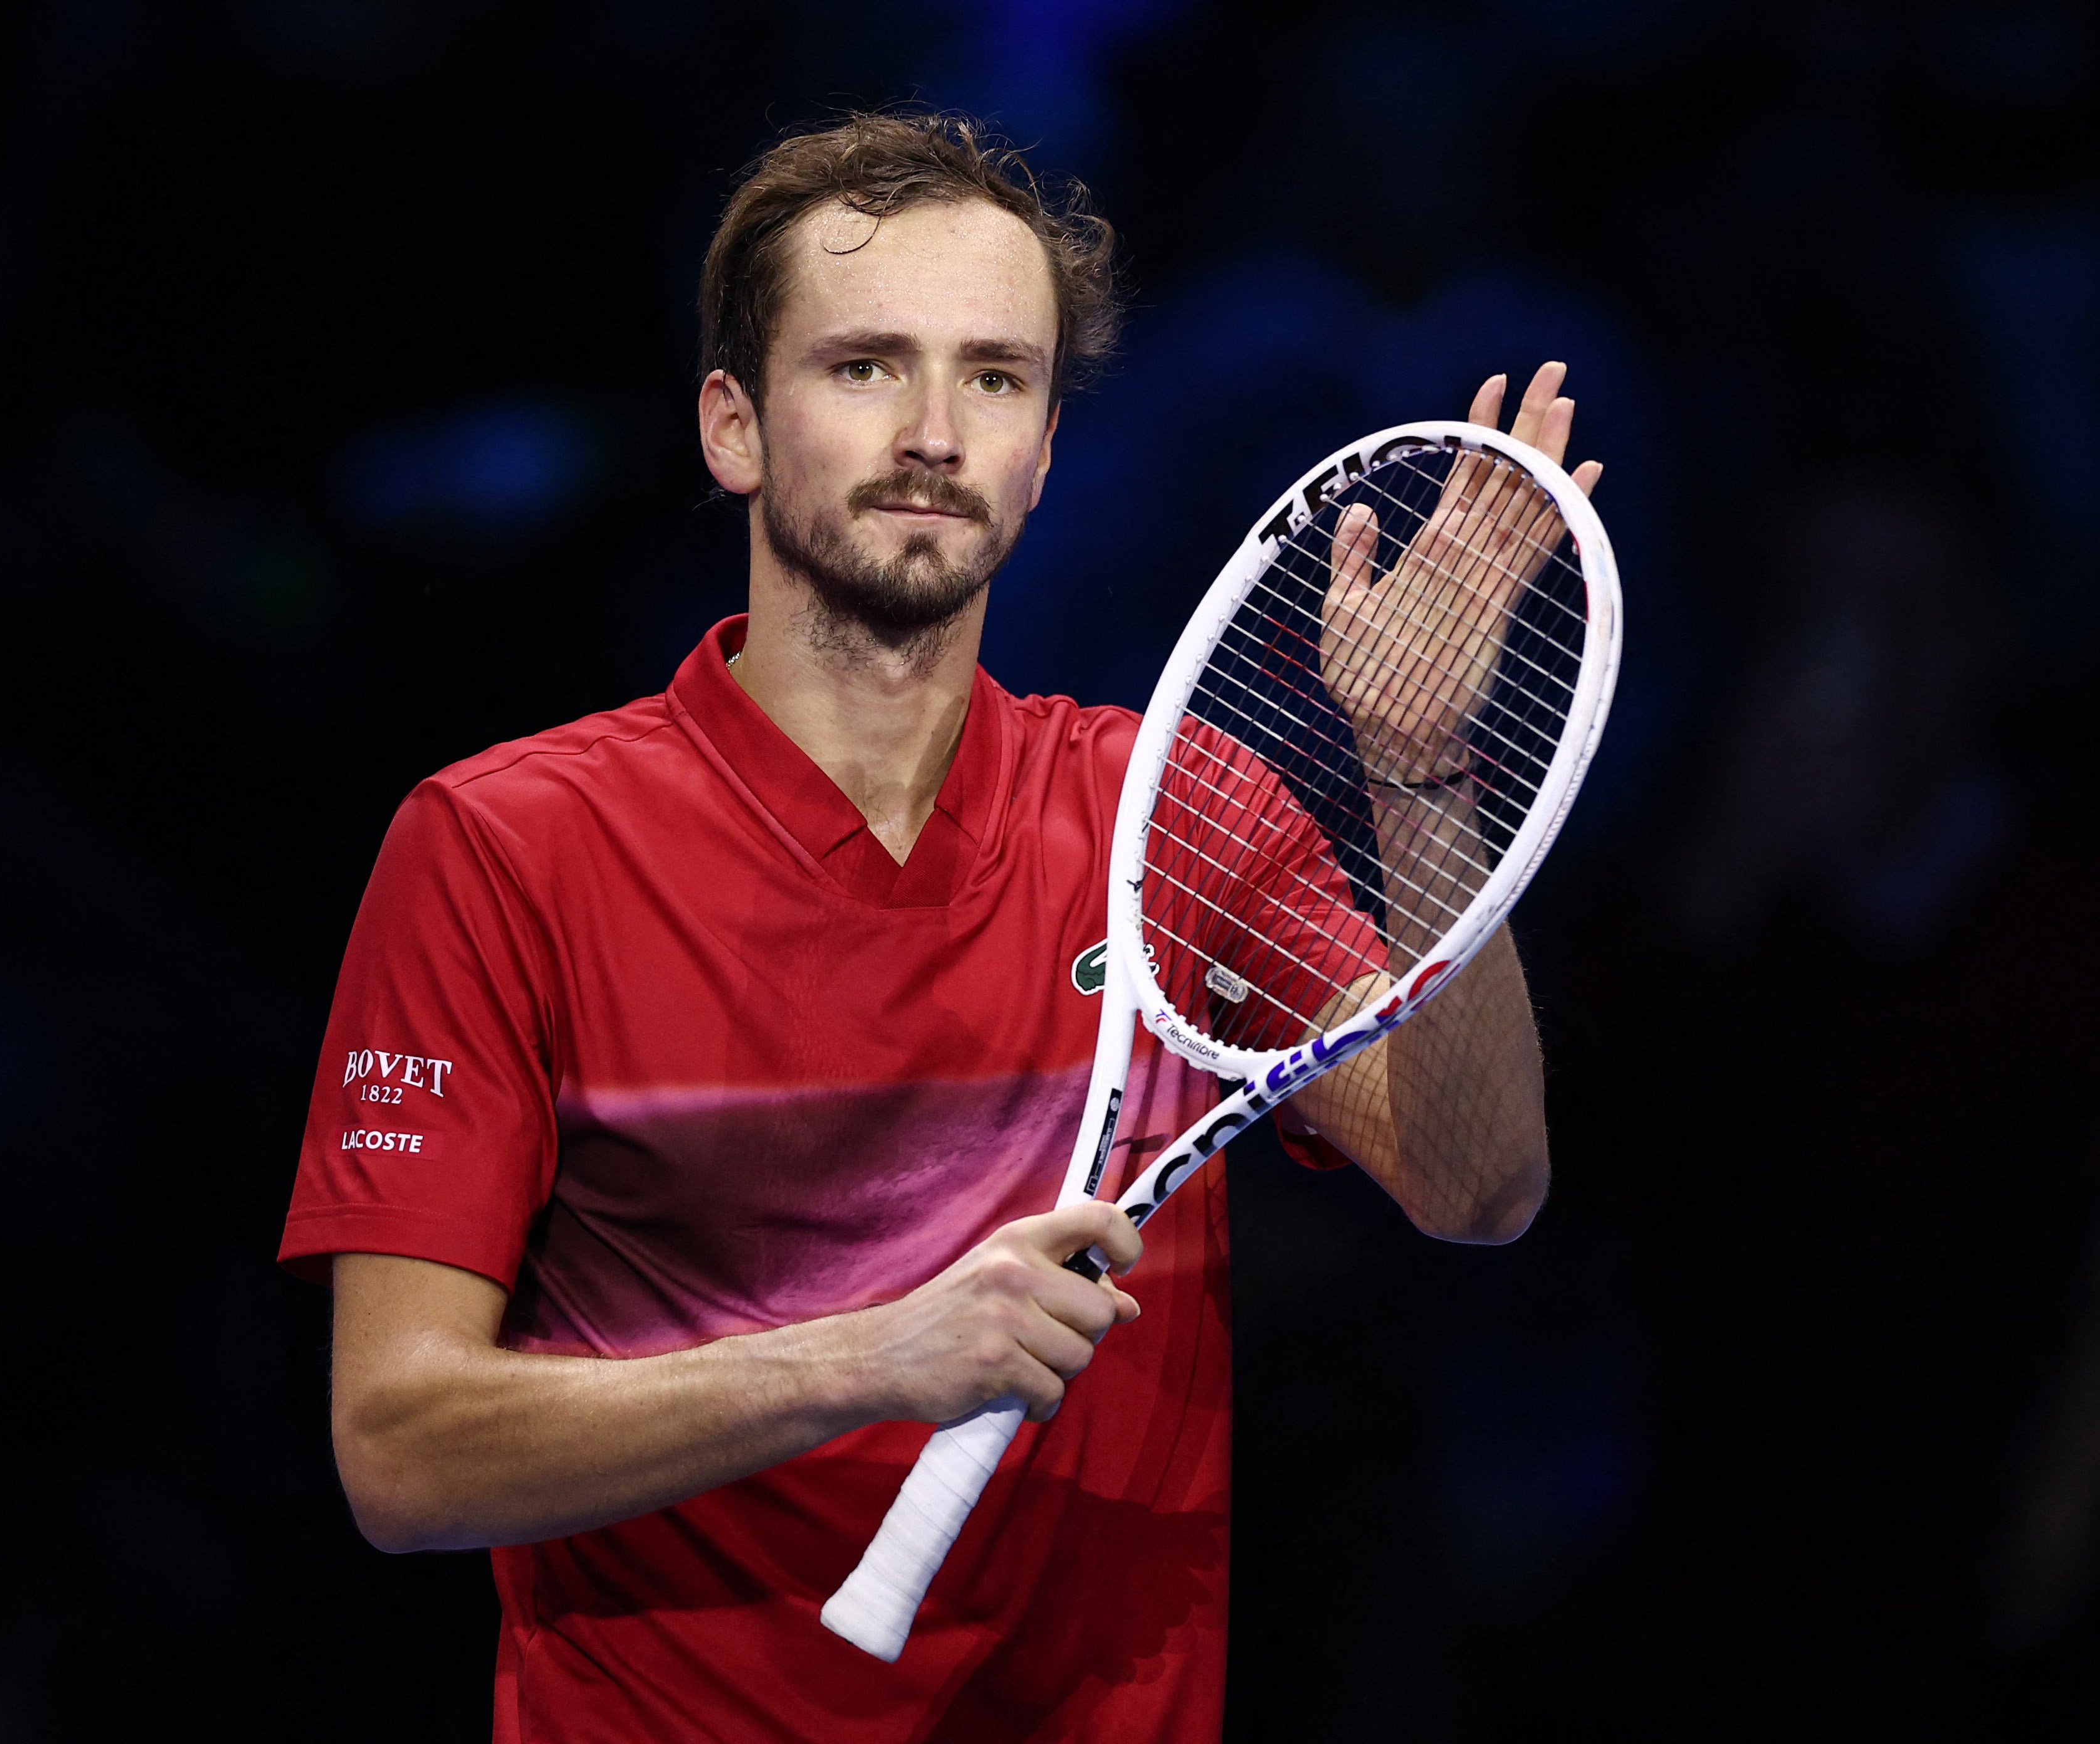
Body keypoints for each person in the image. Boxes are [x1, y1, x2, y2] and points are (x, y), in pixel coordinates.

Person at [281, 110, 1590, 1742]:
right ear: (733, 428)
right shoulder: (501, 850)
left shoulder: (1168, 815)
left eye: (996, 377)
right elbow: (401, 1454)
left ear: (1045, 455)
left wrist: (1420, 776)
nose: (932, 432)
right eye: (863, 367)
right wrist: (867, 1359)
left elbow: (1480, 1184)